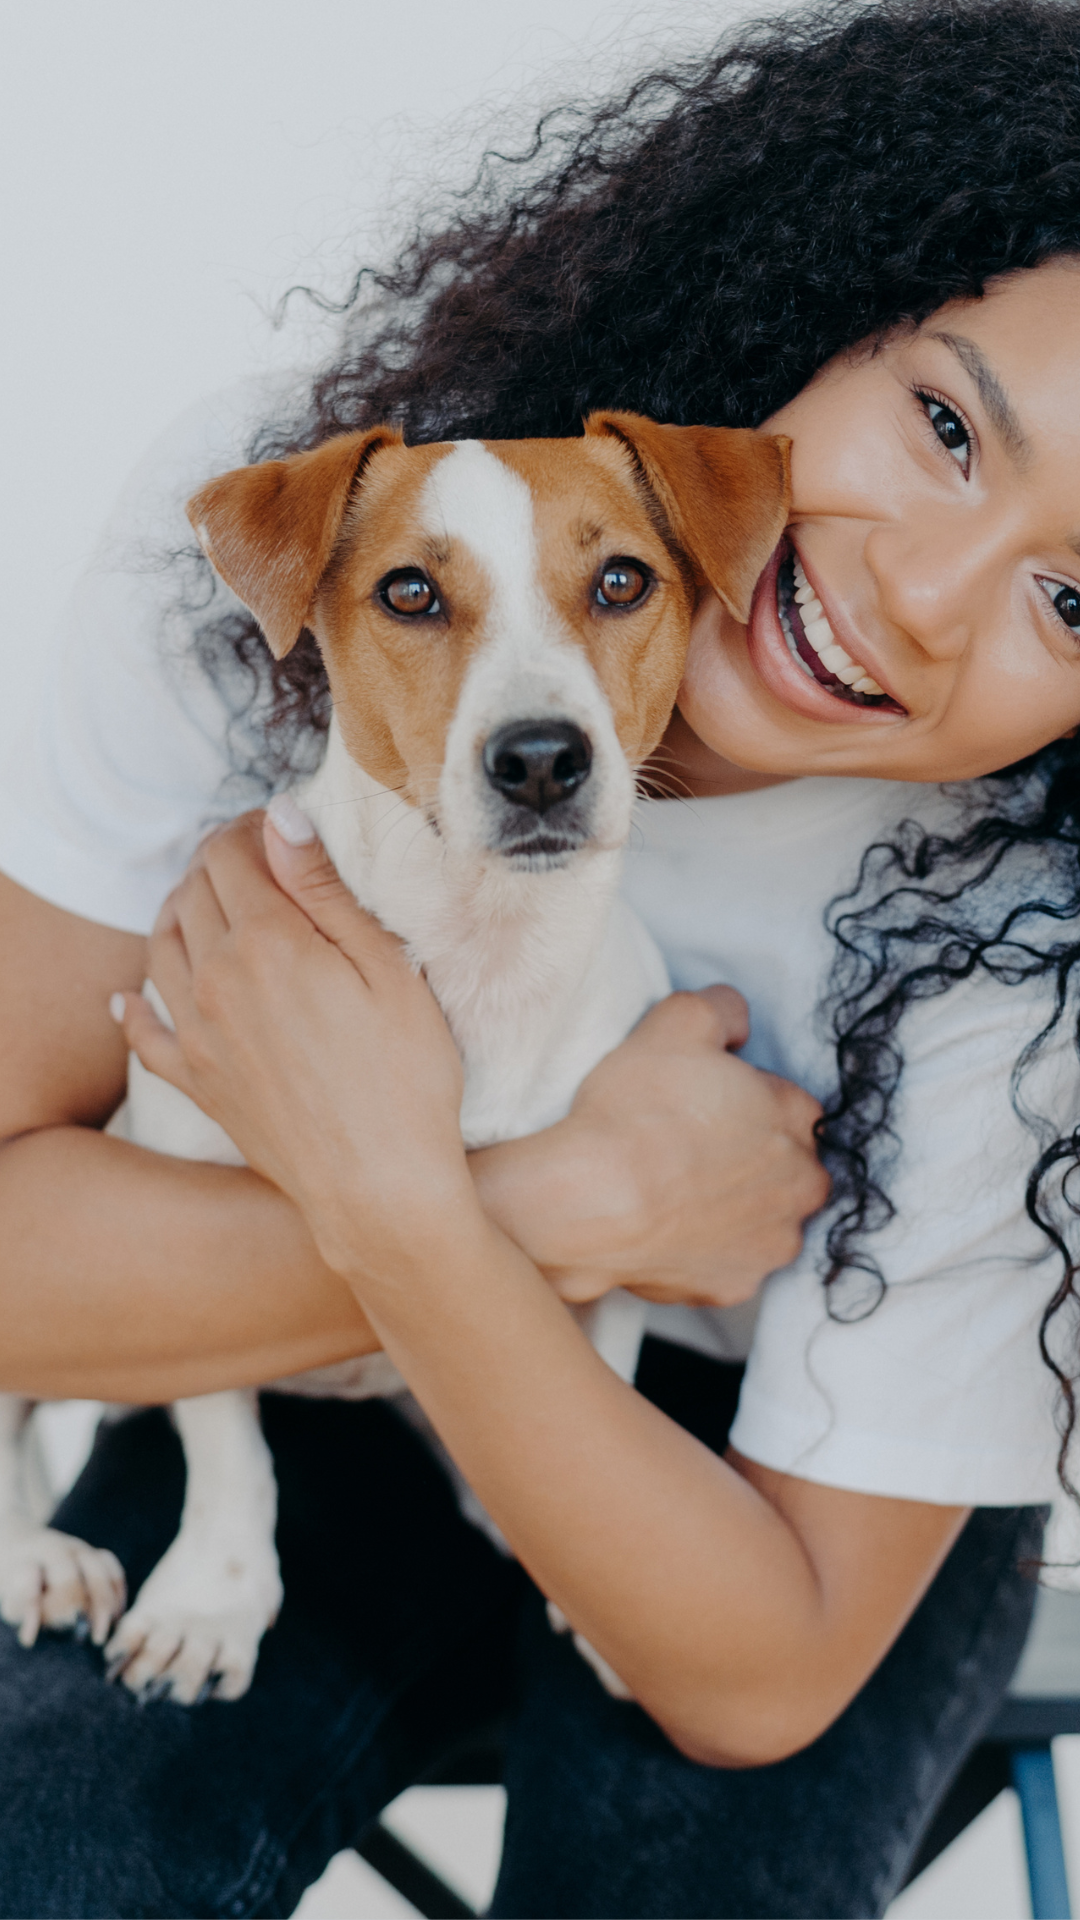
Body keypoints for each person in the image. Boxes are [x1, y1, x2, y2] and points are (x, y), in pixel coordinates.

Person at [2, 0, 1080, 1912]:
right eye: (941, 424)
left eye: (1074, 598)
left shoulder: (1025, 957)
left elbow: (759, 1675)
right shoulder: (295, 538)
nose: (918, 590)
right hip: (281, 1360)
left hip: (785, 1482)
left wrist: (420, 1210)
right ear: (835, 276)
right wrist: (540, 1200)